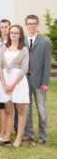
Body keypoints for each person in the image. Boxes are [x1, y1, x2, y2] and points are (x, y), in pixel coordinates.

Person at [0, 25, 30, 147]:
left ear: (20, 35)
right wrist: (4, 83)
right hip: (5, 81)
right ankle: (6, 136)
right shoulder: (3, 47)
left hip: (18, 82)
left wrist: (13, 84)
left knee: (21, 110)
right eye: (12, 32)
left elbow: (24, 68)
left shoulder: (24, 49)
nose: (13, 35)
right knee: (8, 110)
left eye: (16, 33)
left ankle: (19, 137)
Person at [24, 15, 52, 145]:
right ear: (26, 25)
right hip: (24, 81)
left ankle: (43, 136)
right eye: (29, 23)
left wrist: (45, 82)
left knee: (41, 109)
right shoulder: (21, 40)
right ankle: (28, 134)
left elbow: (47, 64)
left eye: (34, 23)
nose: (31, 26)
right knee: (27, 108)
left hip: (39, 81)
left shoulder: (44, 42)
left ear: (38, 25)